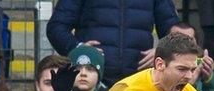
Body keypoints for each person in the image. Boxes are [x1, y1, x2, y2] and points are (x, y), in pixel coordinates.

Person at [46, 0, 179, 85]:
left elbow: (175, 32)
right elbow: (56, 27)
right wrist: (79, 50)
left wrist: (161, 51)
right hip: (93, 83)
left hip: (138, 79)